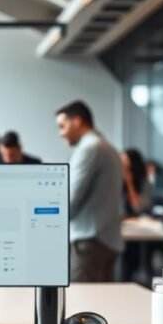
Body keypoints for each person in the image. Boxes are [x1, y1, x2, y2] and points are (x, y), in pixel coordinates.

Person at [56, 100, 124, 283]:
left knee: (81, 303)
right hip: (106, 240)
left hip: (89, 241)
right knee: (100, 305)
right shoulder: (108, 147)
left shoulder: (89, 148)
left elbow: (70, 200)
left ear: (77, 121)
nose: (61, 134)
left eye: (62, 126)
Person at [121, 148, 151, 216]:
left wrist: (129, 183)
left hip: (138, 220)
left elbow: (137, 208)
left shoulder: (144, 182)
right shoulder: (118, 181)